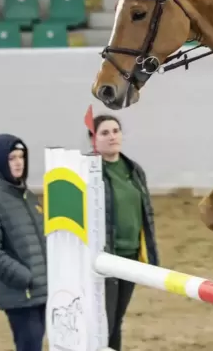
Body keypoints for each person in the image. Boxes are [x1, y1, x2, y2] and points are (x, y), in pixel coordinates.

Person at [88, 114, 159, 351]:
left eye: (115, 131)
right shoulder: (90, 172)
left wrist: (150, 254)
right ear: (93, 139)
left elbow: (146, 215)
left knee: (116, 321)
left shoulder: (134, 170)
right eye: (105, 133)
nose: (112, 137)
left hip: (131, 257)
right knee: (103, 322)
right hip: (104, 259)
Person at [0, 134, 47, 351]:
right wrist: (26, 278)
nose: (18, 162)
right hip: (21, 297)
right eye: (12, 158)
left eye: (21, 156)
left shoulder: (30, 197)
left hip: (44, 293)